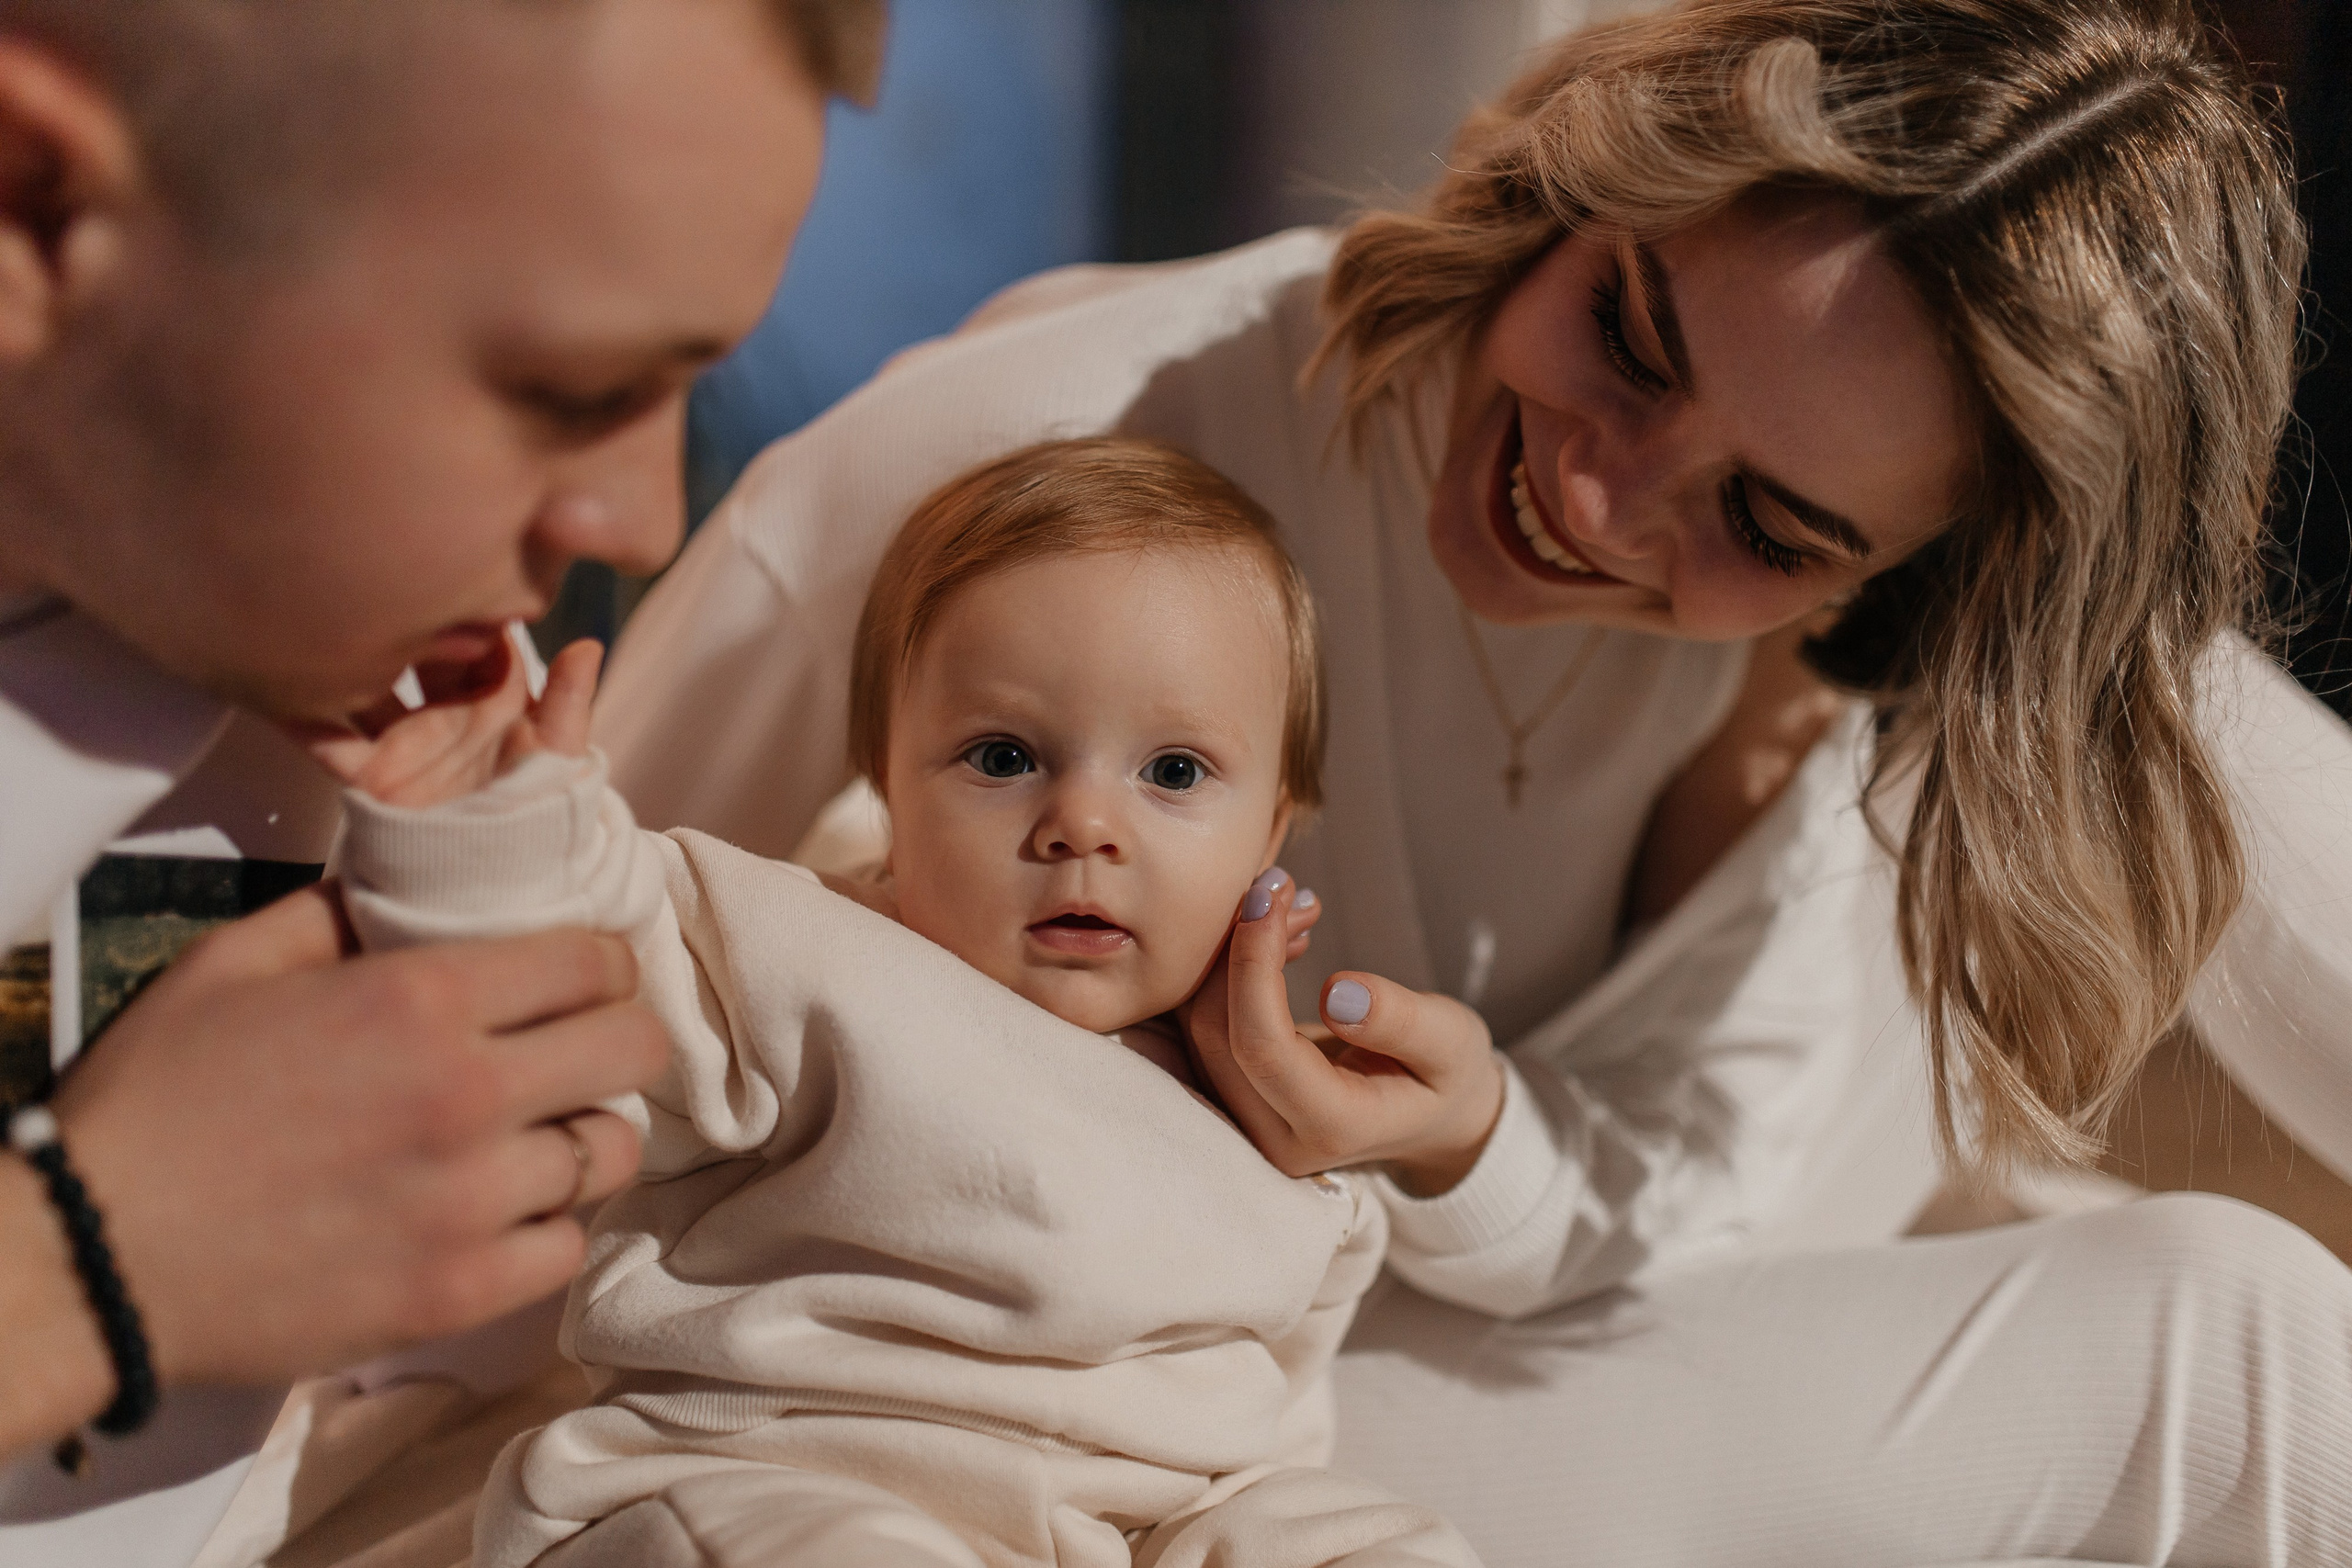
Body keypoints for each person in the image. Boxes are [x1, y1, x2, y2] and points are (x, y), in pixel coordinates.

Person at [590, 1, 2352, 1562]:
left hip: (1619, 1289)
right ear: (1605, 181)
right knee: (2253, 1349)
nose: (1598, 498)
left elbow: (1677, 1189)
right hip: (1162, 1404)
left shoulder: (1906, 662)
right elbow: (556, 945)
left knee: (2246, 1265)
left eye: (1765, 519)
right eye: (1631, 335)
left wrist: (1472, 1141)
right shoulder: (1066, 438)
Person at [0, 0, 880, 1562]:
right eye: (569, 390)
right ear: (27, 199)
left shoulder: (345, 653)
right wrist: (90, 1265)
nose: (640, 519)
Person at [311, 436, 1480, 1568]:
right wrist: (491, 830)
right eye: (1003, 757)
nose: (1083, 824)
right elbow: (582, 972)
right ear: (887, 780)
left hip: (1139, 1526)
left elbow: (1278, 1404)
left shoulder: (1276, 1112)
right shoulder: (792, 955)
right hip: (774, 1482)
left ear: (1272, 830)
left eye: (1172, 773)